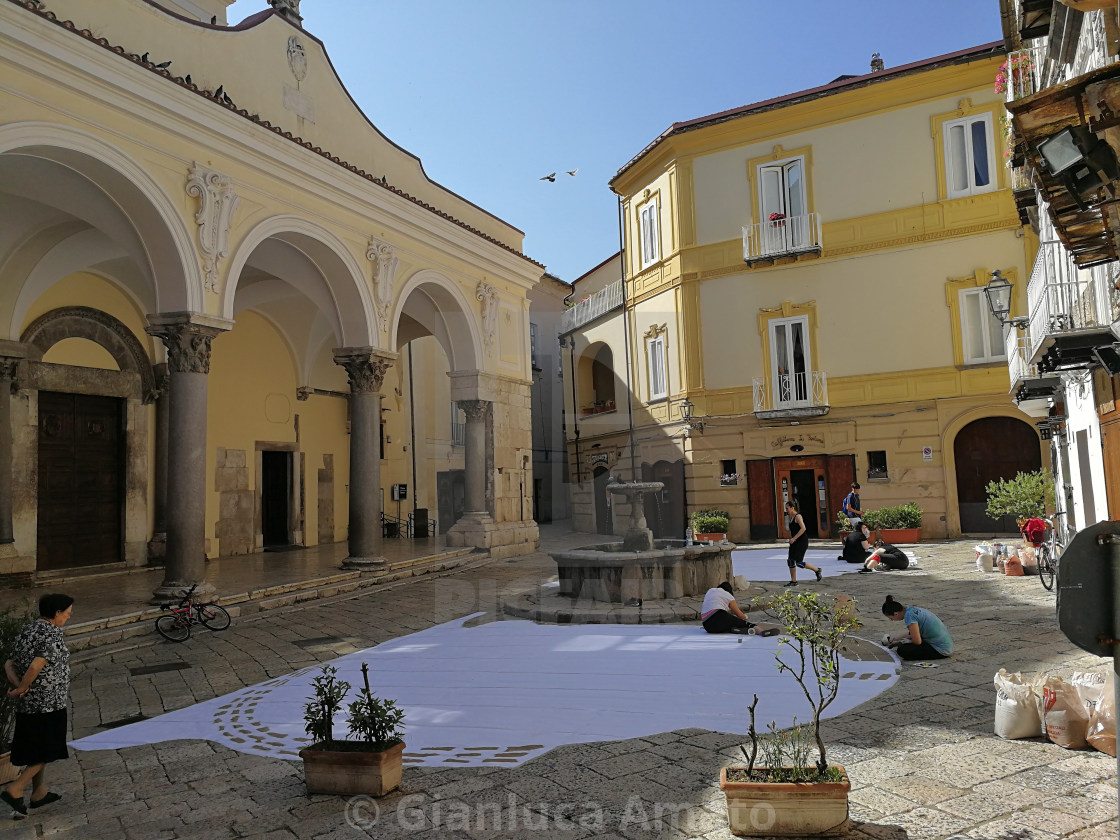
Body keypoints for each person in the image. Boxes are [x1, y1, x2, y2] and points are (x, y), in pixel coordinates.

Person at [2, 593, 74, 819]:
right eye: (67, 614)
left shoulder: (29, 629)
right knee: (49, 747)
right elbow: (35, 666)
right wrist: (23, 687)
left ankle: (38, 793)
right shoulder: (52, 633)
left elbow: (9, 663)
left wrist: (19, 688)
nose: (68, 618)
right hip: (49, 702)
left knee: (37, 746)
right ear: (57, 613)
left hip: (30, 702)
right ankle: (16, 788)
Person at [881, 594, 952, 661]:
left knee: (902, 650)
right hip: (945, 646)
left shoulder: (909, 617)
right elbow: (913, 633)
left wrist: (901, 642)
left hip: (940, 650)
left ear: (895, 614)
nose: (892, 620)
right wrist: (895, 639)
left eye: (891, 618)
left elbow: (917, 641)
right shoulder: (910, 610)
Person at [784, 500, 822, 586]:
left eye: (787, 508)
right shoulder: (790, 518)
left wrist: (794, 538)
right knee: (790, 561)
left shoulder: (798, 516)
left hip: (801, 541)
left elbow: (803, 528)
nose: (786, 510)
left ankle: (817, 570)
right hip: (794, 541)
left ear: (792, 508)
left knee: (799, 562)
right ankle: (793, 581)